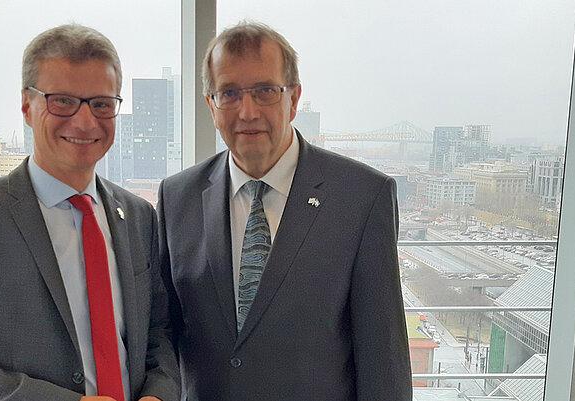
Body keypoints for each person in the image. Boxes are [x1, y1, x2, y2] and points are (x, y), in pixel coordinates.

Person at [0, 24, 180, 401]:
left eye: (101, 103)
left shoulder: (136, 215)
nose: (85, 121)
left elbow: (158, 333)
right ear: (26, 105)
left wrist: (158, 393)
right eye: (63, 101)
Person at [157, 21, 412, 400]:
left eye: (264, 91)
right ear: (211, 106)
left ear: (293, 98)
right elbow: (163, 331)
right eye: (229, 93)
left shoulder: (362, 197)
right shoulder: (177, 196)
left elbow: (383, 361)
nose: (247, 111)